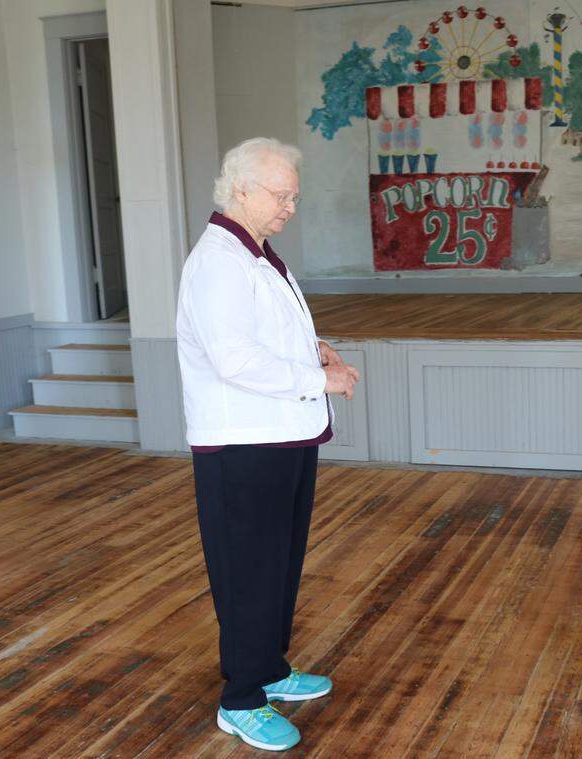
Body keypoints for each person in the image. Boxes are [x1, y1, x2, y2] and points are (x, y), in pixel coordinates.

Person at [176, 137, 359, 751]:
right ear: (241, 189)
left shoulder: (256, 254)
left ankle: (271, 669)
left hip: (281, 435)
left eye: (295, 196)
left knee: (278, 565)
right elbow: (233, 360)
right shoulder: (218, 261)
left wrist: (314, 347)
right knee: (248, 571)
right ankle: (241, 698)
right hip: (242, 445)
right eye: (281, 195)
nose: (289, 207)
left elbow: (263, 336)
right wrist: (320, 378)